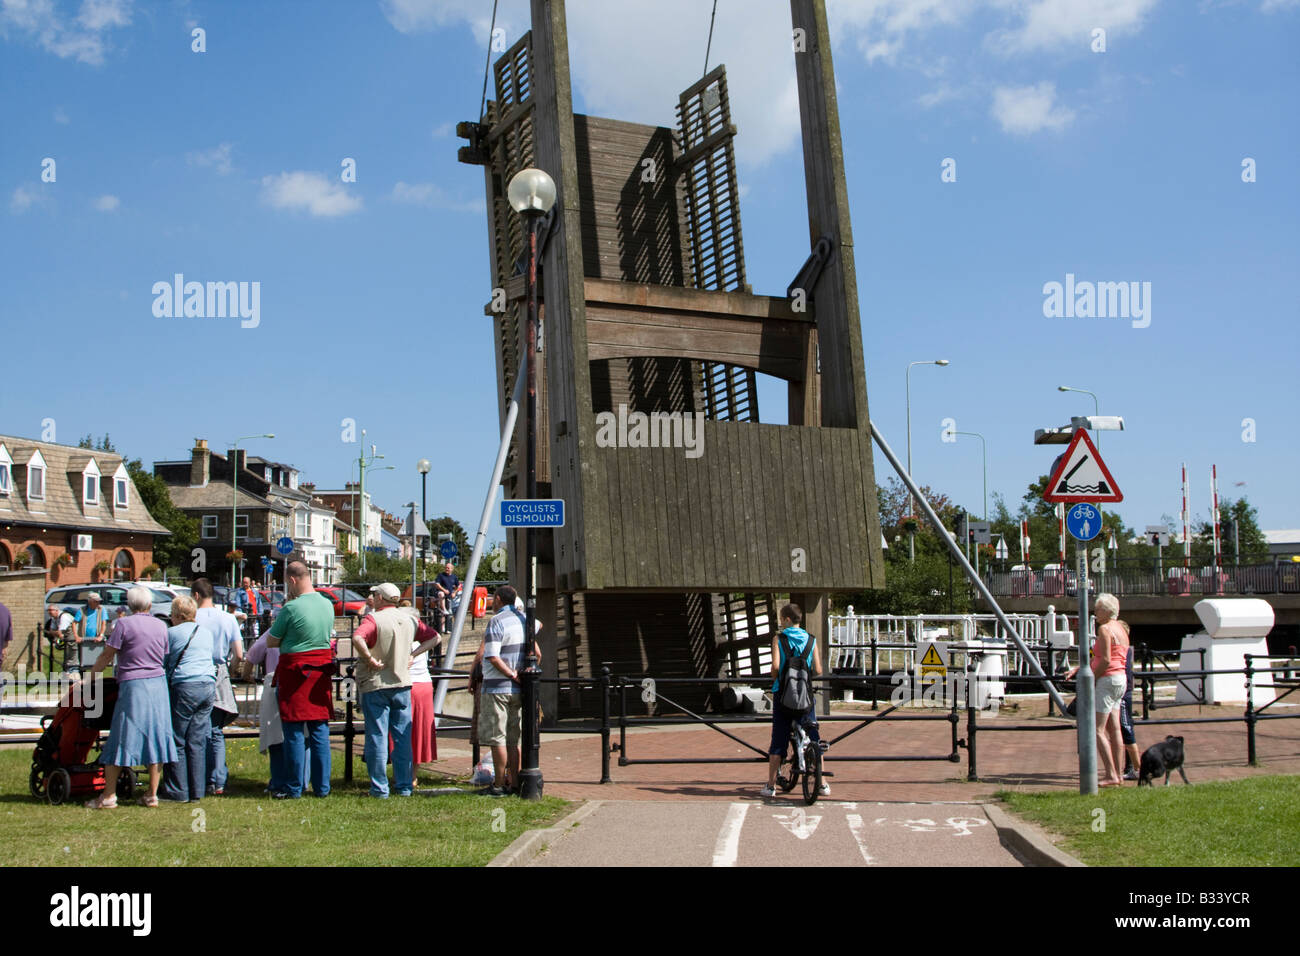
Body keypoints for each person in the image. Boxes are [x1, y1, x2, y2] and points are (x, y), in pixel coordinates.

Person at [84, 586, 177, 808]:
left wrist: (90, 678)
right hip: (158, 685)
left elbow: (107, 654)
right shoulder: (161, 625)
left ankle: (108, 796)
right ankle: (152, 794)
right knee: (156, 736)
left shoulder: (123, 625)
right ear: (150, 605)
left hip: (133, 685)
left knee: (122, 735)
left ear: (129, 605)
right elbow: (163, 655)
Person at [352, 583, 440, 797]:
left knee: (378, 736)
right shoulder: (409, 619)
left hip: (377, 683)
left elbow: (357, 638)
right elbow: (435, 637)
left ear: (381, 598)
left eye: (375, 594)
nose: (373, 597)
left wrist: (369, 658)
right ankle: (404, 786)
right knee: (402, 737)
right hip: (403, 683)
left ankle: (380, 787)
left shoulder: (373, 618)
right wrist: (414, 654)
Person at [266, 560, 335, 798]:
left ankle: (294, 786)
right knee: (319, 730)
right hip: (320, 674)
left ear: (292, 580)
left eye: (288, 583)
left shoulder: (291, 608)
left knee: (294, 729)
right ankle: (322, 787)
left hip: (295, 673)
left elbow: (271, 640)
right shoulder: (328, 605)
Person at [475, 585, 540, 796]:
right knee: (513, 738)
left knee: (497, 738)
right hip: (518, 690)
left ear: (499, 599)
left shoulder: (497, 622)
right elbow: (537, 654)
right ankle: (514, 782)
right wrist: (522, 674)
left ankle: (499, 783)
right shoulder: (525, 620)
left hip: (497, 687)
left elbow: (493, 656)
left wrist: (511, 673)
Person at [762, 603, 829, 798]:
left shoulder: (779, 639)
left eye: (782, 620)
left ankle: (771, 786)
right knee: (813, 736)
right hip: (805, 697)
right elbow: (818, 670)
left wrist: (778, 676)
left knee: (778, 740)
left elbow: (775, 666)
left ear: (788, 619)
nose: (781, 623)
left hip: (783, 696)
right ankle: (822, 783)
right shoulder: (811, 640)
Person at [1066, 592, 1130, 787]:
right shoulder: (1121, 629)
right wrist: (1082, 668)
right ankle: (1119, 773)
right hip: (1121, 679)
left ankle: (1111, 774)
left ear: (1107, 611)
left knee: (1098, 730)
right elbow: (1107, 656)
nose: (1095, 611)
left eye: (1098, 608)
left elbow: (1106, 660)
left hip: (1107, 679)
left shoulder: (1105, 629)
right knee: (1115, 728)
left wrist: (1091, 679)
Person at [159, 595, 216, 803]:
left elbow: (164, 661)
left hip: (185, 685)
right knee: (197, 740)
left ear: (177, 615)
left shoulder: (171, 633)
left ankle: (178, 790)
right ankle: (197, 790)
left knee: (178, 738)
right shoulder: (206, 633)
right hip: (208, 685)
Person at [192, 577, 244, 795]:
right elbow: (239, 654)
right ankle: (219, 780)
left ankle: (200, 778)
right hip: (219, 671)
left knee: (196, 729)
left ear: (195, 596)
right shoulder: (228, 618)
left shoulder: (191, 616)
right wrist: (230, 671)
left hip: (195, 671)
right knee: (215, 730)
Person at [78, 593, 111, 674]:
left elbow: (104, 623)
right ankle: (84, 684)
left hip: (97, 640)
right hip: (84, 640)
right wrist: (76, 636)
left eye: (98, 601)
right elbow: (74, 622)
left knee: (97, 664)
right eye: (96, 601)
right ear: (90, 601)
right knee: (83, 664)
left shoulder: (101, 609)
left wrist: (101, 635)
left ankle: (97, 685)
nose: (98, 603)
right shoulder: (83, 609)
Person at [45, 603, 81, 671]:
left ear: (56, 610)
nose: (49, 612)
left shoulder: (64, 617)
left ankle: (74, 672)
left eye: (51, 610)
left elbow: (59, 633)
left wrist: (55, 633)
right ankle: (68, 672)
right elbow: (51, 630)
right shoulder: (53, 618)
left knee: (73, 656)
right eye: (48, 610)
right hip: (67, 638)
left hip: (73, 638)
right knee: (67, 656)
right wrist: (55, 633)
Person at [434, 562, 459, 628]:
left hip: (449, 596)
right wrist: (444, 590)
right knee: (441, 594)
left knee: (450, 612)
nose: (446, 569)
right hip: (441, 595)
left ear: (452, 569)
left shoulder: (454, 577)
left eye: (448, 568)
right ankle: (442, 627)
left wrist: (454, 593)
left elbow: (458, 586)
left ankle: (448, 627)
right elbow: (437, 584)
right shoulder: (441, 575)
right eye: (446, 567)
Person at [235, 577, 261, 642]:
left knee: (255, 633)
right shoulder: (240, 592)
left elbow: (259, 603)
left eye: (246, 582)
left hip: (254, 615)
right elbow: (238, 604)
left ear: (249, 583)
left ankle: (253, 647)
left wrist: (260, 613)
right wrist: (242, 614)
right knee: (246, 633)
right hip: (246, 616)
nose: (245, 584)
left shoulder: (254, 592)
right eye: (243, 582)